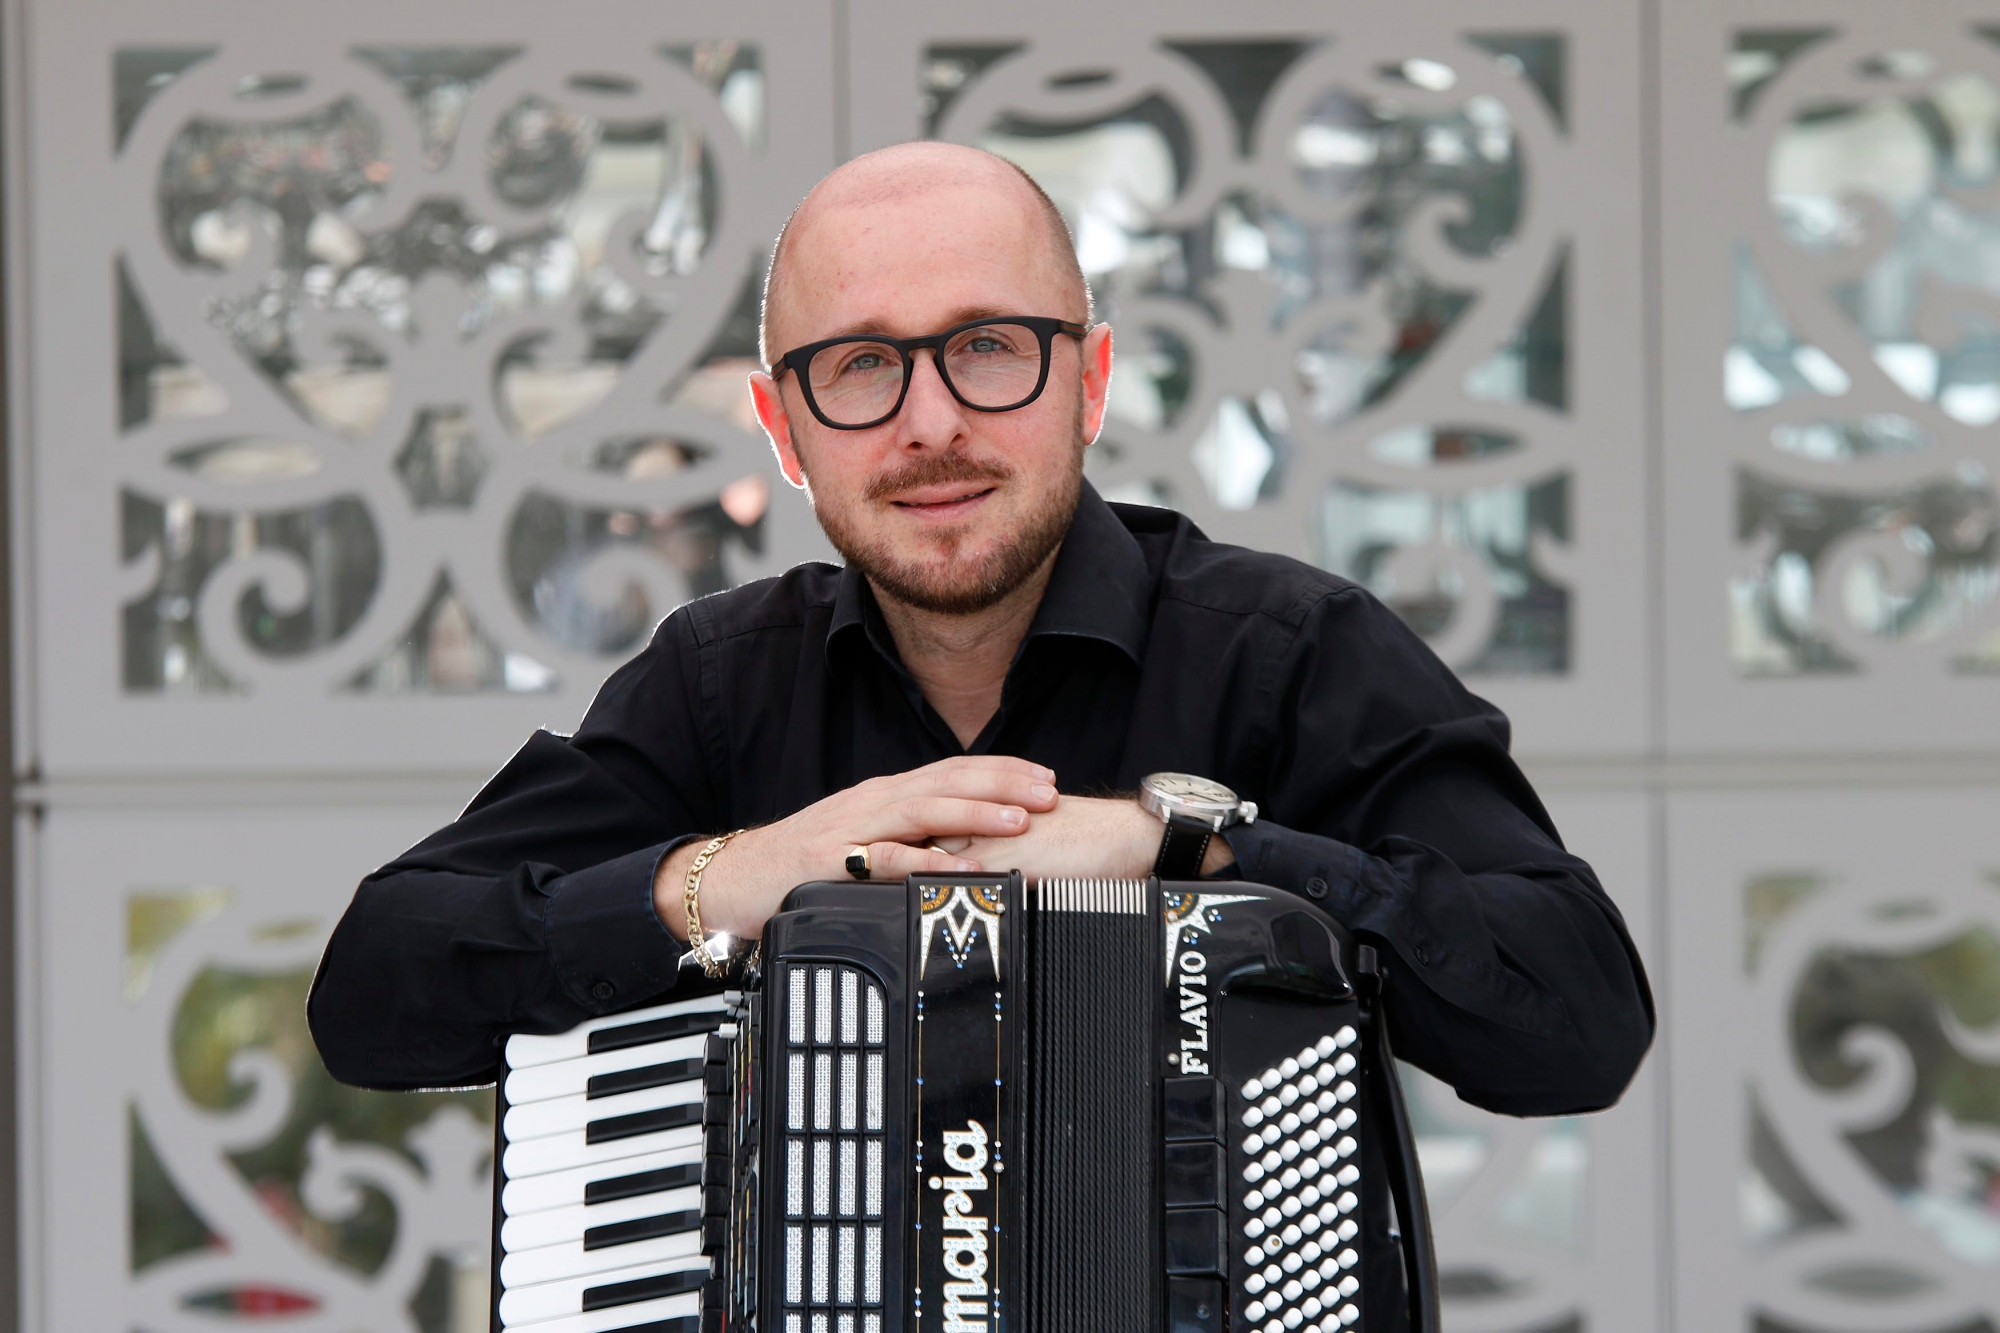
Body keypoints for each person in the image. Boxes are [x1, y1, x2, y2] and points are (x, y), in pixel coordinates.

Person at [309, 141, 1652, 1309]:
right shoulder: (717, 685)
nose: (931, 422)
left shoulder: (1294, 655)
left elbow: (1577, 1017)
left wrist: (1189, 858)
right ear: (785, 428)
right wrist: (728, 876)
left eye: (988, 347)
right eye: (859, 368)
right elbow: (376, 991)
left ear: (1092, 379)